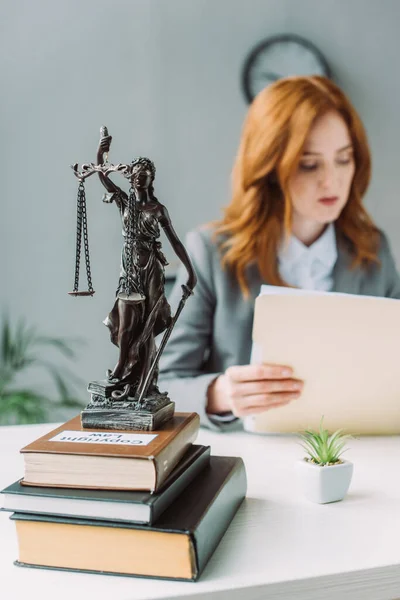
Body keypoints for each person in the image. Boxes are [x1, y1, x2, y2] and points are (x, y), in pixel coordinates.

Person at [158, 75, 400, 431]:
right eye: (309, 164)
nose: (331, 181)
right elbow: (160, 384)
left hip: (354, 457)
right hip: (250, 460)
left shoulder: (372, 250)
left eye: (344, 159)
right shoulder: (210, 252)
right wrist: (220, 393)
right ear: (270, 167)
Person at [97, 136, 196, 400]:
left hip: (151, 268)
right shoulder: (124, 202)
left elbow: (175, 241)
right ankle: (123, 365)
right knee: (126, 323)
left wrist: (191, 271)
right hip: (129, 267)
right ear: (131, 177)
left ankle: (145, 382)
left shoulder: (157, 209)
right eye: (137, 174)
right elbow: (103, 177)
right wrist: (101, 153)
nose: (140, 178)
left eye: (146, 174)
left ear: (152, 178)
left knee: (147, 325)